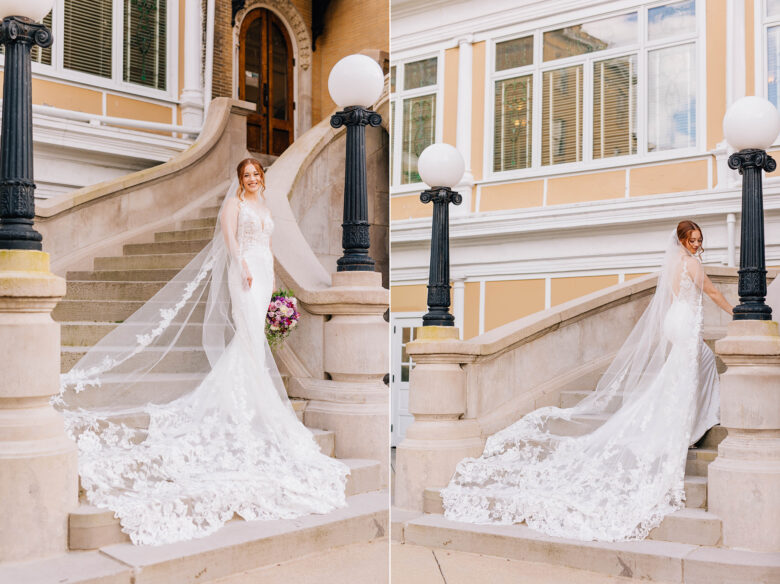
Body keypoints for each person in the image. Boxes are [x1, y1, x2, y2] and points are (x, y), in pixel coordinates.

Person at [55, 158, 349, 546]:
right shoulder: (235, 205)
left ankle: (250, 397)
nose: (252, 179)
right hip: (243, 271)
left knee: (253, 340)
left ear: (262, 178)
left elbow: (270, 241)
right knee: (247, 337)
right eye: (246, 175)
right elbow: (230, 239)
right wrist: (242, 264)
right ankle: (248, 400)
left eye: (257, 174)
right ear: (239, 179)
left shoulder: (264, 205)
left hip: (263, 273)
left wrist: (270, 272)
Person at [440, 220, 733, 542]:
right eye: (692, 240)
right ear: (681, 241)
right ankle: (689, 421)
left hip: (676, 320)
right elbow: (713, 291)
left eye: (699, 240)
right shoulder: (690, 263)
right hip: (686, 321)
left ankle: (692, 417)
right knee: (692, 368)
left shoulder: (675, 262)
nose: (696, 244)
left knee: (688, 369)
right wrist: (737, 311)